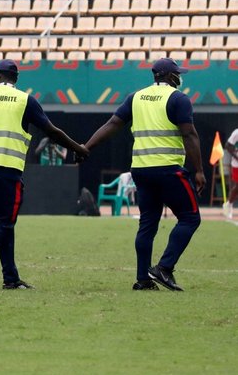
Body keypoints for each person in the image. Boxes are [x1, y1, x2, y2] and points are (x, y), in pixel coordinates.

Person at [0, 60, 88, 291]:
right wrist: (78, 148)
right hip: (8, 169)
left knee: (0, 224)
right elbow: (51, 131)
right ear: (15, 78)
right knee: (4, 224)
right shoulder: (25, 100)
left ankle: (10, 278)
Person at [84, 58, 204, 291]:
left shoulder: (135, 97)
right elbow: (190, 135)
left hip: (141, 169)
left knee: (147, 224)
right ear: (170, 77)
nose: (180, 78)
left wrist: (87, 147)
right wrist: (199, 170)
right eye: (178, 74)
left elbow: (112, 124)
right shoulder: (178, 98)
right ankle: (164, 268)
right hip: (169, 169)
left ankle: (143, 278)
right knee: (190, 218)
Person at [223, 128, 238, 219]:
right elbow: (227, 145)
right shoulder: (237, 132)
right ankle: (229, 204)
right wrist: (236, 157)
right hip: (237, 164)